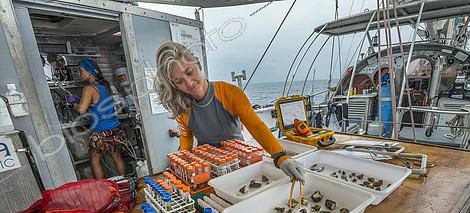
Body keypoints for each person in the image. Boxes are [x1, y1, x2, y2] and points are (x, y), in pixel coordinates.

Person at [154, 42, 305, 183]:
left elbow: (256, 126)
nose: (188, 83)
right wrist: (182, 163)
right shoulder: (182, 107)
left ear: (198, 64)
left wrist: (280, 156)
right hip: (207, 169)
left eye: (189, 72)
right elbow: (186, 136)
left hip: (239, 163)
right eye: (179, 81)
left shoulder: (230, 93)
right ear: (174, 86)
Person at [74, 58, 127, 179]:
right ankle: (124, 183)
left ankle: (103, 188)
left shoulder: (89, 88)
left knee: (94, 158)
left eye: (81, 71)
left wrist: (75, 105)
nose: (79, 74)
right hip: (114, 128)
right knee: (117, 157)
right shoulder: (105, 84)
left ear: (89, 71)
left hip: (100, 131)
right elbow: (99, 103)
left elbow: (81, 110)